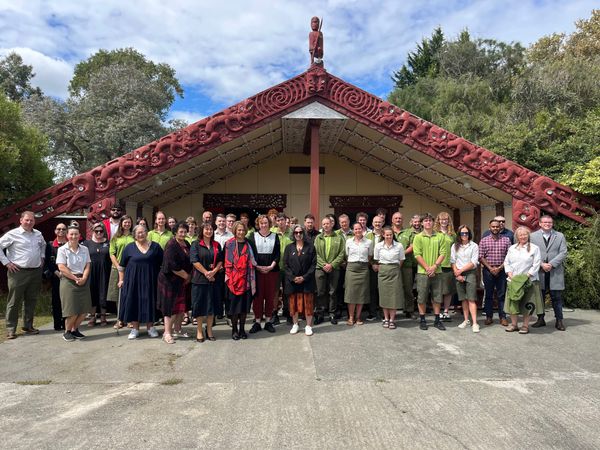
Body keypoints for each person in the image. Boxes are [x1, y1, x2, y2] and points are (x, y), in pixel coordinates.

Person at [0, 211, 46, 339]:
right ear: (21, 220)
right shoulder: (12, 234)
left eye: (32, 220)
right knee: (14, 301)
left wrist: (42, 256)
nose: (29, 222)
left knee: (31, 300)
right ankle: (10, 329)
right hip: (18, 272)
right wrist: (6, 263)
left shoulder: (38, 234)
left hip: (35, 271)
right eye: (27, 220)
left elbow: (43, 245)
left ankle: (28, 326)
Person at [117, 225, 164, 339]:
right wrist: (121, 280)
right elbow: (122, 266)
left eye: (143, 232)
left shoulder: (155, 247)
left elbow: (163, 264)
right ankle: (135, 329)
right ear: (134, 235)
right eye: (138, 233)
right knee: (134, 302)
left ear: (147, 233)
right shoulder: (129, 247)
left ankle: (151, 328)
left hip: (151, 280)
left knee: (150, 302)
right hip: (133, 281)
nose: (141, 234)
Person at [529, 215, 568, 331]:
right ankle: (541, 319)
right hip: (539, 271)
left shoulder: (559, 236)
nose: (547, 224)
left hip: (554, 271)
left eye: (549, 222)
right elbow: (530, 252)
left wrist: (551, 264)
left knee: (556, 297)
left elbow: (563, 252)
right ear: (540, 223)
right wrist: (541, 264)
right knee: (539, 296)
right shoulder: (532, 236)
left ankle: (559, 320)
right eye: (545, 222)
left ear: (552, 223)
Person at [157, 221, 192, 344]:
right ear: (175, 232)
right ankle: (167, 333)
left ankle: (177, 329)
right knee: (170, 309)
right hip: (169, 281)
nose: (183, 234)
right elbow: (172, 265)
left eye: (185, 231)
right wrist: (187, 276)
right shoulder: (171, 244)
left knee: (181, 308)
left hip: (181, 282)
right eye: (180, 231)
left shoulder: (186, 243)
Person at [503, 227, 543, 334]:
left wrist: (527, 276)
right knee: (513, 303)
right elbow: (507, 262)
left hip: (529, 280)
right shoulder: (512, 248)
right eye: (520, 235)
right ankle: (514, 325)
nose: (523, 236)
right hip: (513, 280)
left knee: (527, 303)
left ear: (528, 235)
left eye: (525, 234)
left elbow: (536, 263)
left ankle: (525, 326)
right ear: (517, 236)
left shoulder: (535, 248)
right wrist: (509, 273)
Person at [56, 225, 92, 341]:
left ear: (79, 236)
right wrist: (74, 278)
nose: (73, 236)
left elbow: (87, 264)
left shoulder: (84, 249)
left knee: (84, 309)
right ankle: (67, 332)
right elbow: (61, 267)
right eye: (71, 234)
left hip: (83, 280)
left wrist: (85, 277)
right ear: (67, 236)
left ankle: (75, 330)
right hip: (68, 281)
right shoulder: (62, 250)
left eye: (76, 234)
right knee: (72, 310)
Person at [413, 213, 448, 331]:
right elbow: (417, 254)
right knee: (422, 297)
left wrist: (434, 266)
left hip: (437, 272)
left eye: (430, 220)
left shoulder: (440, 236)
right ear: (422, 223)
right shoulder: (418, 237)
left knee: (437, 297)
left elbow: (443, 253)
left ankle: (437, 320)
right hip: (423, 272)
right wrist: (428, 268)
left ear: (433, 222)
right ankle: (422, 320)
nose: (428, 222)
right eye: (426, 220)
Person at [223, 221, 256, 340]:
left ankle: (242, 330)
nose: (241, 232)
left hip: (246, 280)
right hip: (233, 280)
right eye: (239, 230)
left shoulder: (249, 244)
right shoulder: (229, 244)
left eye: (243, 230)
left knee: (244, 308)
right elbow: (225, 262)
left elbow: (253, 260)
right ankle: (234, 330)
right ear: (235, 231)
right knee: (234, 308)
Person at [191, 222, 223, 342]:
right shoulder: (195, 244)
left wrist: (213, 272)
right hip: (199, 281)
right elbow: (194, 261)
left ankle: (209, 330)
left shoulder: (216, 245)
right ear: (201, 231)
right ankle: (199, 331)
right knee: (199, 307)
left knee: (211, 307)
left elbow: (220, 260)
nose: (209, 231)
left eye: (210, 229)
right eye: (206, 229)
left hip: (214, 280)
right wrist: (206, 273)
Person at [248, 215, 281, 334]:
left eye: (266, 223)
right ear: (258, 224)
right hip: (257, 271)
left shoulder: (275, 236)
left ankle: (268, 321)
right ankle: (257, 322)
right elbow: (250, 254)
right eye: (261, 223)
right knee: (257, 297)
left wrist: (271, 266)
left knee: (270, 296)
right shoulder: (252, 236)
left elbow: (277, 253)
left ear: (269, 223)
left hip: (272, 271)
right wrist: (257, 266)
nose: (264, 225)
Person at [284, 225, 317, 336]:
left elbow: (313, 264)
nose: (298, 234)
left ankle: (308, 326)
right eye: (296, 232)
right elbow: (286, 265)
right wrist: (293, 278)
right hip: (293, 281)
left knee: (308, 303)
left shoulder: (311, 247)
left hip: (307, 280)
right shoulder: (289, 247)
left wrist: (304, 277)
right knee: (293, 304)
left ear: (304, 233)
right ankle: (295, 324)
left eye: (300, 232)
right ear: (293, 234)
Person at [479, 219, 512, 326]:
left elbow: (510, 256)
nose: (495, 228)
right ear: (490, 228)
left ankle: (503, 317)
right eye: (493, 226)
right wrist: (490, 268)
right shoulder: (484, 240)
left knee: (501, 295)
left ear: (500, 227)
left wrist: (500, 268)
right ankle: (489, 316)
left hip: (502, 271)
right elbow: (481, 256)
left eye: (497, 226)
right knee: (488, 294)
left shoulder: (506, 240)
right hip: (488, 271)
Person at [314, 216, 346, 325]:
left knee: (333, 291)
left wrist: (332, 265)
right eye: (324, 224)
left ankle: (332, 313)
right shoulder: (318, 238)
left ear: (332, 224)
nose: (326, 226)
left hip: (334, 268)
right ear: (322, 225)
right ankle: (320, 313)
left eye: (328, 223)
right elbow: (315, 253)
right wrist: (324, 264)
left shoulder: (339, 237)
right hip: (320, 268)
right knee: (320, 291)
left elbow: (342, 253)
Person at [373, 227, 405, 329]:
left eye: (390, 234)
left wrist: (394, 268)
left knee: (394, 296)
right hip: (383, 272)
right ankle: (386, 318)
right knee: (384, 296)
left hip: (395, 271)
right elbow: (376, 260)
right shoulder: (378, 246)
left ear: (393, 235)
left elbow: (401, 260)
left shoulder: (399, 246)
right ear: (383, 235)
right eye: (387, 235)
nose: (389, 236)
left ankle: (392, 320)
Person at [451, 226, 480, 332]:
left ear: (469, 234)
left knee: (471, 299)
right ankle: (466, 320)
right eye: (462, 233)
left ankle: (475, 323)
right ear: (459, 234)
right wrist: (457, 273)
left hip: (470, 273)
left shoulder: (474, 246)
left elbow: (473, 262)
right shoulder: (455, 246)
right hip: (458, 273)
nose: (464, 235)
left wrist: (460, 271)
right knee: (463, 299)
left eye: (466, 233)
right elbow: (453, 261)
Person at [82, 222, 111, 327]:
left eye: (101, 231)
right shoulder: (86, 244)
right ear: (93, 231)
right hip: (91, 272)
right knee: (92, 293)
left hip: (104, 272)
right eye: (96, 231)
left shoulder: (108, 243)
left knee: (103, 293)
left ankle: (103, 316)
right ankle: (92, 316)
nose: (99, 233)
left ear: (104, 232)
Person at [108, 215, 134, 329]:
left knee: (130, 294)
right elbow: (112, 253)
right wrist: (118, 266)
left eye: (129, 222)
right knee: (118, 295)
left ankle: (129, 319)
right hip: (117, 268)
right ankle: (119, 319)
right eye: (125, 222)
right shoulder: (115, 237)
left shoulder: (135, 236)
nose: (127, 224)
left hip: (131, 269)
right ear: (121, 224)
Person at [344, 222, 373, 325]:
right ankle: (351, 317)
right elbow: (347, 256)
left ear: (363, 229)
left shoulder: (369, 242)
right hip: (351, 269)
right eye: (355, 229)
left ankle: (358, 317)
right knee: (351, 293)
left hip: (364, 269)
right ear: (353, 230)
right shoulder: (348, 242)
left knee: (361, 294)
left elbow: (370, 256)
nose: (357, 231)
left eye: (359, 229)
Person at [44, 222, 68, 331]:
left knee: (67, 301)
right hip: (56, 277)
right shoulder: (49, 245)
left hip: (68, 276)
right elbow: (48, 261)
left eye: (63, 229)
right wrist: (56, 272)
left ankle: (67, 323)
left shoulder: (71, 243)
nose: (61, 231)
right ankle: (57, 324)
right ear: (55, 231)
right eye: (59, 229)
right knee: (56, 301)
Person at [434, 212, 456, 321]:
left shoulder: (452, 234)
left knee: (447, 290)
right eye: (441, 219)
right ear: (438, 220)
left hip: (448, 265)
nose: (444, 221)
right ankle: (437, 312)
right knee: (437, 290)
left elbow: (457, 249)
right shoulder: (434, 233)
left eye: (446, 219)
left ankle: (446, 311)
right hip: (436, 265)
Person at [398, 214, 420, 318]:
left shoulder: (410, 232)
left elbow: (412, 247)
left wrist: (401, 254)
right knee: (402, 288)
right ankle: (407, 309)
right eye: (415, 222)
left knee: (411, 288)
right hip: (400, 264)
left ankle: (412, 309)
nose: (417, 224)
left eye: (418, 221)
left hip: (413, 264)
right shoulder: (404, 233)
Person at [365, 215, 385, 321]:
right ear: (372, 223)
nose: (377, 224)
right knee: (372, 290)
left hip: (384, 266)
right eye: (375, 222)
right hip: (371, 266)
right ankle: (372, 312)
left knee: (382, 290)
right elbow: (365, 252)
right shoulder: (367, 236)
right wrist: (372, 264)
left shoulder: (386, 234)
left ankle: (382, 313)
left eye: (379, 222)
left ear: (383, 223)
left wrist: (381, 264)